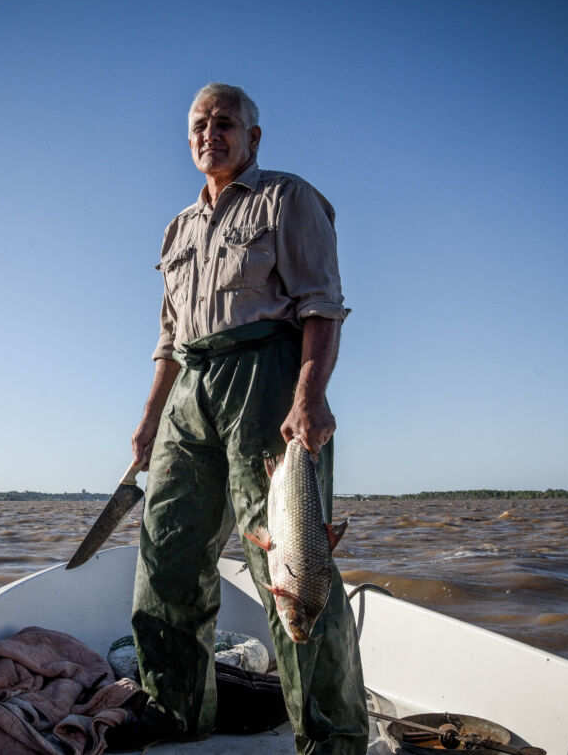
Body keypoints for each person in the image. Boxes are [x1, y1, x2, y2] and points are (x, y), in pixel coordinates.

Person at [114, 83, 368, 754]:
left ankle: (332, 738)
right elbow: (169, 341)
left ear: (254, 137)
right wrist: (147, 424)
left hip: (268, 375)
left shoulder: (288, 199)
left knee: (293, 569)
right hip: (188, 389)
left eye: (225, 123)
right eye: (199, 123)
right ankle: (174, 711)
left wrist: (309, 393)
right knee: (167, 554)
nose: (210, 133)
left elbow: (322, 305)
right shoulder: (178, 228)